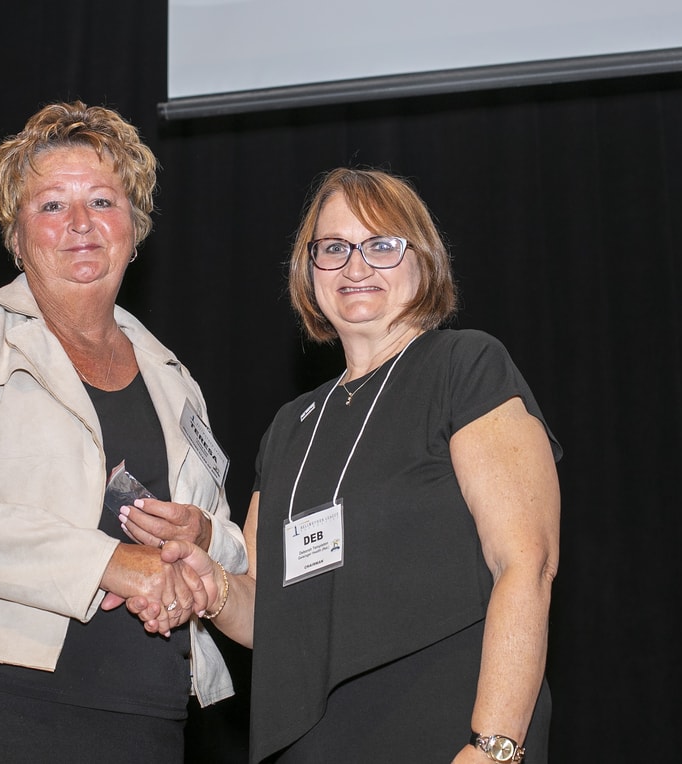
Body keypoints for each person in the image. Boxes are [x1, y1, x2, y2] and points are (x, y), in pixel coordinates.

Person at [123, 167, 561, 762]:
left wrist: (493, 744)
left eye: (381, 245)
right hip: (310, 741)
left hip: (449, 726)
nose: (356, 267)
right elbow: (264, 615)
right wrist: (213, 588)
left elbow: (526, 564)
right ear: (310, 271)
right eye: (334, 249)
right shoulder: (288, 427)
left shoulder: (465, 367)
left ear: (423, 260)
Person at [0, 101, 247, 762]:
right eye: (50, 206)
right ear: (16, 234)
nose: (79, 225)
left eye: (102, 201)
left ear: (134, 225)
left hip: (139, 713)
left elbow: (231, 554)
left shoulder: (176, 380)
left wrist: (203, 539)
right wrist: (112, 564)